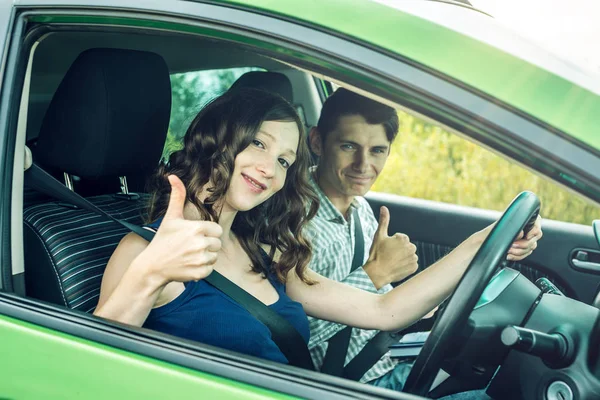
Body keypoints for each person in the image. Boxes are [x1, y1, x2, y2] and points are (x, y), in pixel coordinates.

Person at [93, 88, 541, 377]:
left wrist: (485, 243)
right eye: (258, 144)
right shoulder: (144, 248)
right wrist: (150, 272)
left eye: (286, 160)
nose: (271, 169)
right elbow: (87, 368)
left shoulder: (261, 251)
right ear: (219, 138)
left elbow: (386, 309)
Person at [305, 88, 542, 391]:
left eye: (377, 150)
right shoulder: (292, 220)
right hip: (355, 382)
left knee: (509, 364)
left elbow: (387, 304)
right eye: (349, 146)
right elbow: (293, 329)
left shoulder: (360, 207)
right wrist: (376, 274)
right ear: (317, 142)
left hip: (390, 352)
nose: (363, 165)